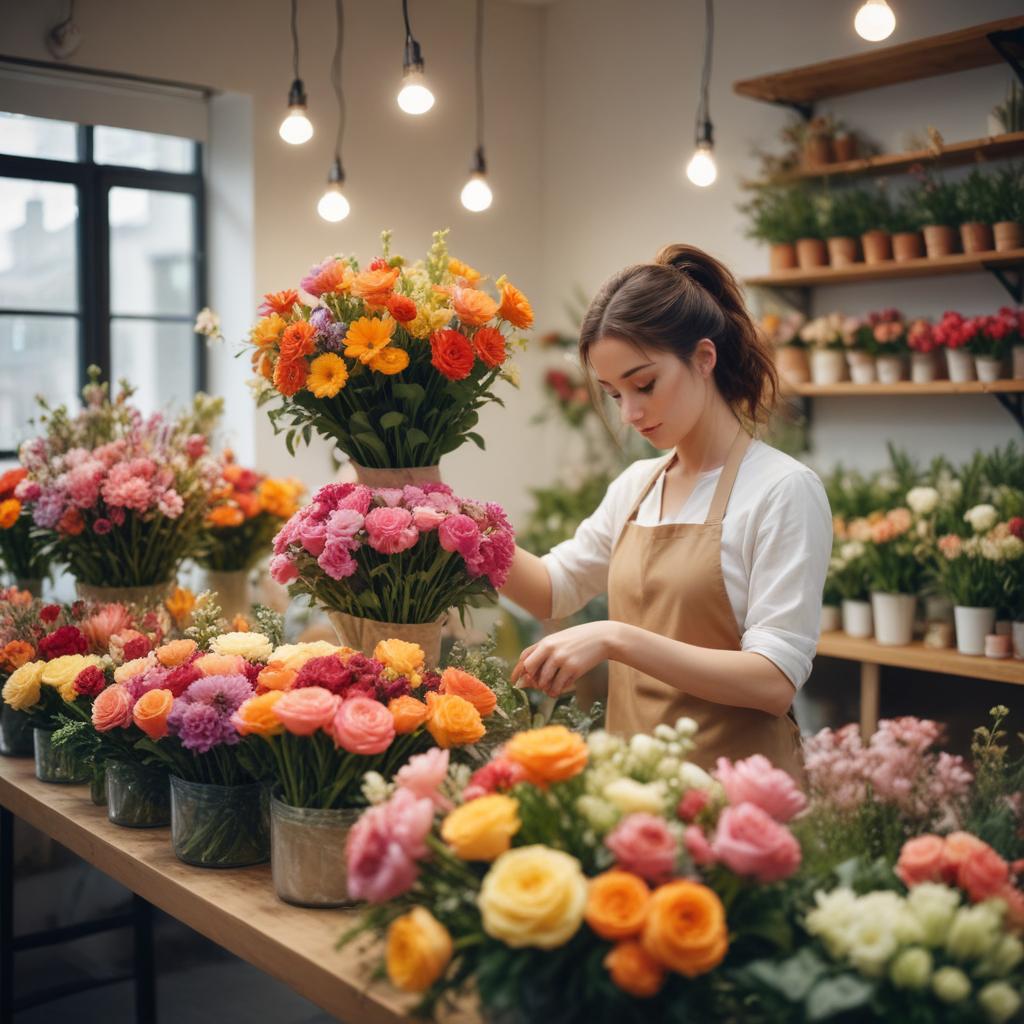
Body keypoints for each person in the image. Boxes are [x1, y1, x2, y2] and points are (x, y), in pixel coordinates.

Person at [501, 244, 832, 778]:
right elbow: (552, 588)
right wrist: (466, 528)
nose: (630, 413)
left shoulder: (782, 490)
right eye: (613, 394)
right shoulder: (637, 486)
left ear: (704, 358)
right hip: (637, 794)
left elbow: (772, 682)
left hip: (738, 804)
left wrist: (615, 638)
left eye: (645, 384)